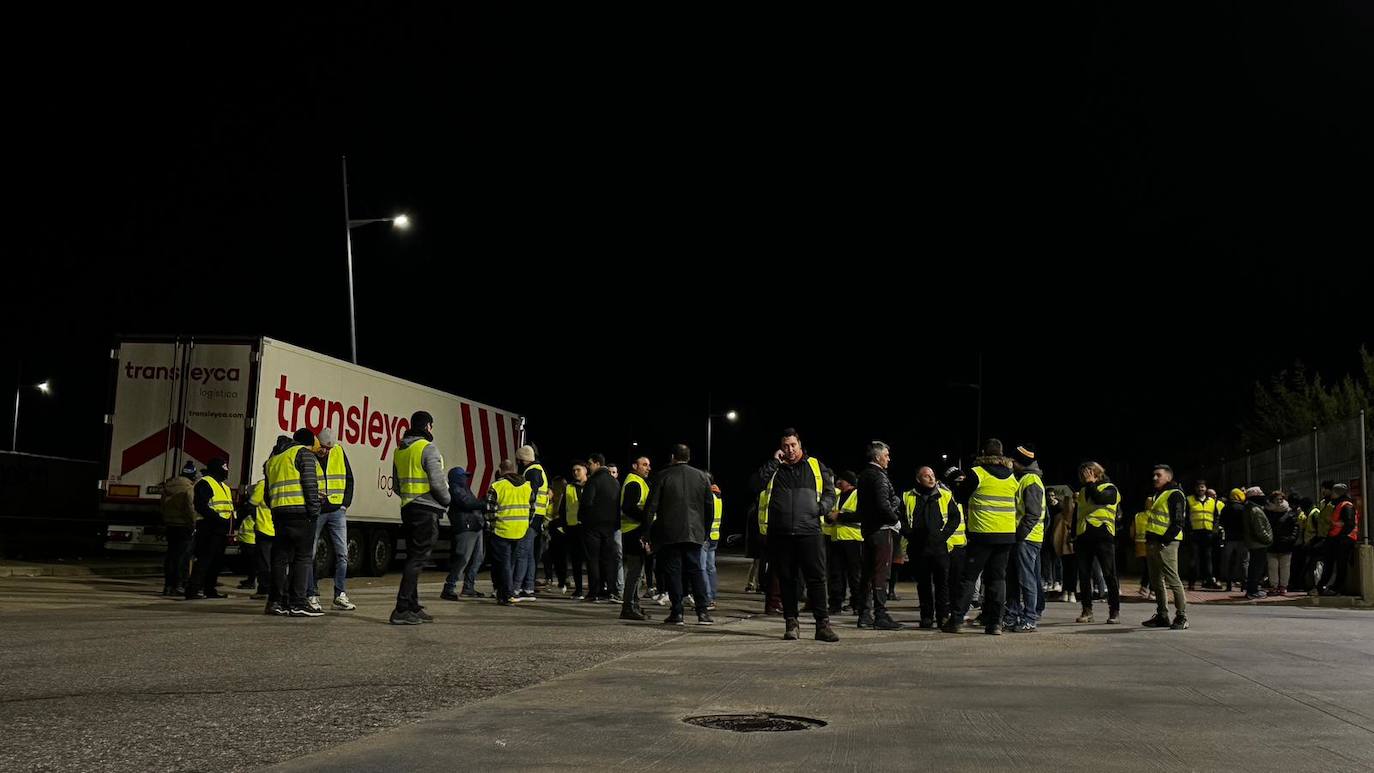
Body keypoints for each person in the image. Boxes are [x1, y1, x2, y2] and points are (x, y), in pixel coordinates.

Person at [752, 428, 839, 642]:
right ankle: (791, 624)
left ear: (800, 445)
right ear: (780, 448)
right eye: (785, 446)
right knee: (787, 581)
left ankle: (822, 626)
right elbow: (755, 485)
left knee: (817, 580)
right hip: (781, 534)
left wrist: (823, 507)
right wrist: (773, 463)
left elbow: (830, 491)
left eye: (793, 445)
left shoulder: (816, 466)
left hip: (810, 532)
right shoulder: (775, 469)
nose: (790, 450)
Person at [944, 439, 1019, 635]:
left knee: (969, 578)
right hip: (1006, 535)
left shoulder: (977, 473)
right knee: (997, 579)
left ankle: (957, 620)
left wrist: (956, 481)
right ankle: (995, 623)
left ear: (983, 453)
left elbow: (960, 496)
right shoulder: (1012, 476)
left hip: (982, 534)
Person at [389, 411, 450, 625]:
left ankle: (413, 606)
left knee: (412, 557)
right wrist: (446, 500)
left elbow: (396, 485)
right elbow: (437, 481)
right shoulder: (427, 448)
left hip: (408, 507)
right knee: (418, 559)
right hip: (426, 510)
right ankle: (402, 608)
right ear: (428, 426)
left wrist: (410, 496)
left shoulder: (400, 450)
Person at [646, 444, 715, 626]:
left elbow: (651, 506)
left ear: (672, 457)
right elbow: (709, 507)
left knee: (674, 572)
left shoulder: (663, 475)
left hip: (670, 533)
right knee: (696, 571)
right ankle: (702, 612)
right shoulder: (701, 477)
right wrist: (705, 531)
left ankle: (677, 613)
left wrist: (647, 533)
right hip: (695, 532)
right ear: (689, 457)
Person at [267, 430, 324, 617]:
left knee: (280, 558)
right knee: (303, 557)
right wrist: (314, 511)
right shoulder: (304, 454)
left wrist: (275, 508)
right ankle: (298, 602)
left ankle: (275, 602)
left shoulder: (273, 458)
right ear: (309, 443)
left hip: (279, 513)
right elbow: (310, 484)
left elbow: (267, 492)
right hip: (301, 513)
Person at [904, 466, 960, 629]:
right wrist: (910, 535)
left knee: (942, 584)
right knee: (923, 584)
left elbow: (955, 517)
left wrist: (944, 535)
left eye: (932, 475)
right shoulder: (907, 496)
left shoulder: (945, 495)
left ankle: (942, 616)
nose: (931, 478)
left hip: (939, 548)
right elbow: (901, 518)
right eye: (926, 476)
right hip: (918, 548)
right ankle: (926, 617)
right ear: (918, 479)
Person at [856, 441, 903, 631]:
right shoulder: (879, 477)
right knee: (881, 573)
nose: (888, 459)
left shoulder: (864, 475)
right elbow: (883, 505)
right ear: (877, 457)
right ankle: (880, 615)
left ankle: (864, 614)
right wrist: (895, 519)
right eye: (886, 455)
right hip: (881, 530)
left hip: (868, 530)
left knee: (867, 573)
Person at [306, 427, 355, 612]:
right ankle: (311, 594)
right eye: (323, 447)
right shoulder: (309, 454)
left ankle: (340, 594)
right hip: (317, 511)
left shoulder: (339, 452)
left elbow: (349, 479)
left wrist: (345, 504)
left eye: (329, 448)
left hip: (336, 510)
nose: (325, 451)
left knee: (343, 554)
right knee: (310, 554)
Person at [1071, 461, 1121, 625]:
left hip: (1103, 535)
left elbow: (1100, 499)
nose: (1084, 476)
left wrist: (1091, 483)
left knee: (1109, 574)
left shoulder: (1110, 488)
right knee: (1084, 576)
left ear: (1096, 472)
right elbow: (1077, 514)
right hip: (1083, 536)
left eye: (1087, 472)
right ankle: (1087, 610)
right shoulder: (1084, 490)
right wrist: (1073, 535)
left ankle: (1114, 611)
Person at [1005, 444, 1046, 633]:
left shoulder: (1031, 480)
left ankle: (1029, 618)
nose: (1011, 463)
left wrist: (1019, 536)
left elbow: (1033, 514)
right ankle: (1012, 615)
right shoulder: (1023, 479)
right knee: (1013, 578)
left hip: (1027, 538)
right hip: (1021, 537)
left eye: (1014, 460)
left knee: (1026, 578)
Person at [1142, 464, 1189, 630]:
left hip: (1166, 543)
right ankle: (1162, 615)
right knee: (1156, 581)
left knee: (1172, 579)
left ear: (1168, 477)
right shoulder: (1159, 494)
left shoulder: (1175, 494)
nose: (1154, 478)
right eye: (1153, 475)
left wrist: (1165, 540)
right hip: (1154, 542)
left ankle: (1182, 616)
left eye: (1158, 475)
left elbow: (1178, 521)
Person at [486, 459, 536, 606]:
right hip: (520, 530)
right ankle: (504, 594)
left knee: (504, 564)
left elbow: (490, 510)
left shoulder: (497, 486)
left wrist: (490, 528)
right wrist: (526, 524)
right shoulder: (527, 486)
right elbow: (532, 509)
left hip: (501, 530)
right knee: (511, 562)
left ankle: (507, 594)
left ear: (501, 471)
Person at [184, 458, 235, 600]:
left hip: (221, 529)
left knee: (216, 561)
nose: (226, 471)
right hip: (208, 527)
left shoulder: (224, 486)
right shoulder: (205, 483)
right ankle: (193, 590)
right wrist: (219, 519)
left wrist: (231, 523)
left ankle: (209, 589)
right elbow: (201, 506)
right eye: (224, 468)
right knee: (204, 560)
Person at [440, 467, 487, 601]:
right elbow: (466, 503)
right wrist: (483, 503)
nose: (466, 478)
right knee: (463, 559)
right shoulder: (455, 489)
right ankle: (449, 587)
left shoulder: (462, 488)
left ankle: (468, 587)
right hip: (466, 527)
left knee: (477, 559)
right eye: (464, 476)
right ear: (456, 477)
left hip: (474, 526)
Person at [579, 453, 621, 603]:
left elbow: (586, 503)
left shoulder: (593, 481)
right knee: (608, 559)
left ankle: (594, 591)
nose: (588, 467)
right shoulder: (614, 482)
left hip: (593, 526)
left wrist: (582, 519)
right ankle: (610, 590)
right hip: (610, 527)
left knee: (593, 559)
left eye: (590, 464)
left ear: (597, 464)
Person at [618, 455, 653, 620]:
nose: (648, 468)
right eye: (644, 465)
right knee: (635, 572)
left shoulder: (637, 481)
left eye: (648, 465)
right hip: (633, 532)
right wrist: (646, 518)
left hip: (634, 531)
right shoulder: (634, 482)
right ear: (635, 466)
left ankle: (634, 604)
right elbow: (628, 507)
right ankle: (628, 607)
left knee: (637, 572)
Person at [514, 445, 548, 601]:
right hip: (538, 517)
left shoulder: (531, 472)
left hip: (531, 517)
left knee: (521, 553)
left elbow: (530, 496)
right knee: (528, 554)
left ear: (522, 459)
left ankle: (517, 588)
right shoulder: (539, 469)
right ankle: (528, 588)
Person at [827, 471, 862, 614]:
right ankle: (835, 605)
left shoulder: (859, 495)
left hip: (853, 539)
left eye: (841, 480)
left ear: (849, 482)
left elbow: (861, 515)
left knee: (855, 575)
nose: (838, 482)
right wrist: (830, 517)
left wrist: (839, 516)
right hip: (836, 539)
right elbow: (831, 514)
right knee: (835, 574)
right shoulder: (837, 496)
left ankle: (858, 605)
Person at [160, 461, 198, 597]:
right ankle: (179, 585)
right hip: (184, 526)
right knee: (183, 557)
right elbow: (190, 507)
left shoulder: (168, 486)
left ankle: (168, 586)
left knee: (171, 556)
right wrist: (194, 523)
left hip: (171, 525)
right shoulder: (189, 488)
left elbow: (162, 505)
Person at [1316, 483, 1360, 596]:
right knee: (1331, 563)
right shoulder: (1339, 504)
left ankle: (1336, 588)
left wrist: (1341, 536)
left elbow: (1349, 524)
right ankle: (1324, 586)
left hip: (1343, 540)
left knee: (1340, 565)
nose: (1331, 495)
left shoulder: (1346, 505)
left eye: (1334, 492)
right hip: (1337, 538)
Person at [556, 462, 588, 599]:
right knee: (576, 561)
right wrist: (564, 525)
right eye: (573, 470)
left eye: (578, 470)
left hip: (587, 528)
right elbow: (562, 509)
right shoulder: (569, 487)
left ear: (585, 471)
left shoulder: (591, 485)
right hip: (573, 528)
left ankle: (595, 589)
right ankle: (579, 589)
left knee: (591, 560)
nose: (575, 472)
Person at [1186, 480, 1221, 590]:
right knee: (1194, 558)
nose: (1200, 489)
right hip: (1194, 533)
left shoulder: (1212, 501)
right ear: (1195, 489)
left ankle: (1208, 580)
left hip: (1208, 533)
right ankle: (1192, 582)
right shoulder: (1189, 500)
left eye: (1202, 487)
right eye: (1198, 487)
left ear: (1206, 488)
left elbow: (1216, 517)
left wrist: (1214, 530)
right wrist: (1189, 530)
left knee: (1208, 557)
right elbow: (1185, 517)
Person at [1241, 487, 1275, 599]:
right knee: (1257, 568)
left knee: (1254, 567)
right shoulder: (1255, 510)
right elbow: (1260, 529)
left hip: (1253, 543)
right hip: (1258, 544)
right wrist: (1268, 539)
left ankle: (1252, 589)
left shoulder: (1249, 508)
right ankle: (1253, 591)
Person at [1265, 490, 1298, 597]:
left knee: (1285, 566)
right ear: (1272, 500)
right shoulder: (1267, 512)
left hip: (1285, 543)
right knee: (1272, 567)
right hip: (1272, 543)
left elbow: (1295, 527)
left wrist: (1291, 539)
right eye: (1277, 499)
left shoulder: (1289, 512)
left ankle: (1283, 586)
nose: (1279, 501)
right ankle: (1274, 586)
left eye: (1281, 499)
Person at [1219, 488, 1249, 592]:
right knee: (1244, 561)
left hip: (1229, 538)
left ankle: (1228, 584)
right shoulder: (1243, 508)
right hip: (1242, 538)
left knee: (1229, 561)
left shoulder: (1225, 508)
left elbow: (1221, 522)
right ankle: (1244, 584)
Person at [701, 476, 723, 606]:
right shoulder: (717, 496)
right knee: (710, 567)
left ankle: (707, 598)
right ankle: (712, 595)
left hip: (706, 537)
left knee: (702, 568)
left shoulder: (708, 498)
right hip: (714, 536)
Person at [1133, 499, 1152, 596]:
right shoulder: (1155, 515)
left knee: (1148, 568)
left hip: (1140, 546)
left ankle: (1144, 587)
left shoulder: (1138, 516)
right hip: (1151, 545)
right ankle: (1150, 590)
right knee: (1152, 568)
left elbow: (1132, 532)